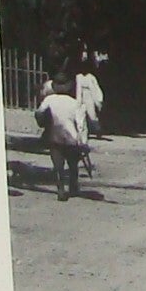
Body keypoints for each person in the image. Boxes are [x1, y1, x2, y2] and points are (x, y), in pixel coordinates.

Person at [35, 66, 89, 201]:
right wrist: (83, 143)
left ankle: (60, 190)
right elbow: (81, 125)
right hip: (71, 138)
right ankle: (73, 187)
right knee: (72, 164)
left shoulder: (49, 100)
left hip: (54, 136)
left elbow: (39, 113)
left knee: (58, 165)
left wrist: (44, 123)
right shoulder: (75, 103)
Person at [76, 50, 105, 140]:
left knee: (92, 115)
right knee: (81, 115)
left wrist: (98, 99)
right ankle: (84, 132)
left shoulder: (91, 77)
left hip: (89, 96)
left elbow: (95, 88)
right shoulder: (78, 77)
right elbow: (78, 89)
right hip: (82, 96)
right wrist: (78, 100)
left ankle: (98, 131)